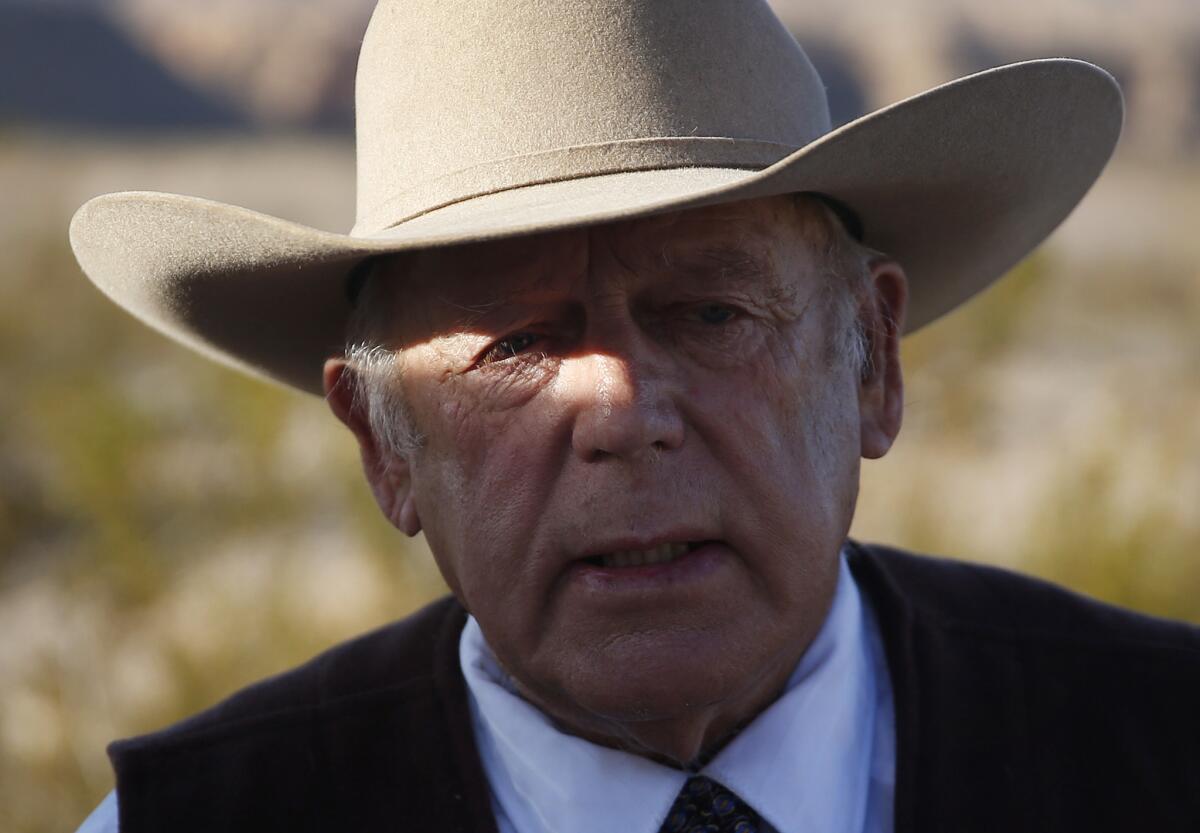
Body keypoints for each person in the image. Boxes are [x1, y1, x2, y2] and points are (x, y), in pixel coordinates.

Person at [70, 1, 1200, 831]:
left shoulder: (1160, 744)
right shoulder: (194, 818)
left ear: (874, 360)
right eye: (516, 345)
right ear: (383, 441)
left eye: (710, 311)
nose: (621, 408)